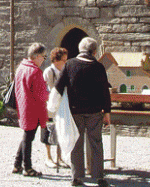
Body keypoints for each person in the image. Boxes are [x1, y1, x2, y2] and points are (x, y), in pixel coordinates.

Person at [55, 37, 111, 187]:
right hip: (94, 111)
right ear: (94, 51)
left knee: (76, 144)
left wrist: (53, 108)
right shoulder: (98, 67)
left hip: (75, 111)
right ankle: (98, 176)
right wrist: (107, 112)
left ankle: (77, 177)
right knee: (96, 143)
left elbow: (58, 86)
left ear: (80, 49)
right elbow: (105, 91)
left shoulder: (70, 65)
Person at [12, 42, 49, 177]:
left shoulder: (21, 67)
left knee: (26, 136)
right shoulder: (35, 71)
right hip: (33, 108)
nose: (44, 60)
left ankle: (17, 165)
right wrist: (50, 94)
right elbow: (41, 94)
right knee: (28, 138)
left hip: (23, 105)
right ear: (37, 56)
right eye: (43, 57)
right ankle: (27, 168)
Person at [43, 47, 68, 169]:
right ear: (56, 60)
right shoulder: (49, 71)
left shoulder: (64, 70)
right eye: (63, 60)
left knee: (60, 130)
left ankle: (59, 157)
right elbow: (48, 89)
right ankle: (48, 157)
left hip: (61, 105)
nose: (65, 62)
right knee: (48, 130)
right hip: (50, 105)